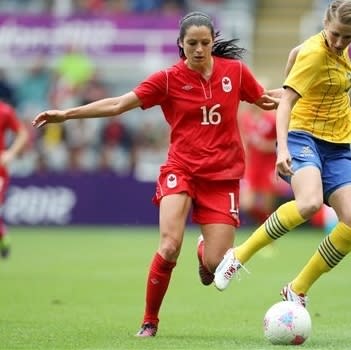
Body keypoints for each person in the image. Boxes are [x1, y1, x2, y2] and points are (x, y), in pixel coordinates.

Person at [32, 11, 280, 336]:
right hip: (182, 170)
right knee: (168, 245)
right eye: (192, 43)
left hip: (222, 176)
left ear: (213, 42)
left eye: (205, 43)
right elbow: (118, 104)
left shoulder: (234, 72)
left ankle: (204, 253)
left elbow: (263, 99)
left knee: (216, 266)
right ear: (181, 44)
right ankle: (150, 321)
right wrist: (66, 114)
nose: (199, 49)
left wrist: (298, 94)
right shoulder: (166, 79)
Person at [214, 0, 351, 309]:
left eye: (347, 37)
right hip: (304, 136)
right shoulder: (315, 53)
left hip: (339, 144)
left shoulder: (334, 52)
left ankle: (297, 288)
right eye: (336, 34)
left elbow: (294, 55)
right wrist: (283, 148)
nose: (340, 42)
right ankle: (238, 255)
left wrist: (291, 83)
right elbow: (288, 103)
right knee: (309, 203)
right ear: (325, 25)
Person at [0, 100, 28, 258]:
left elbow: (22, 133)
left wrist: (11, 153)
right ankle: (2, 234)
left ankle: (2, 236)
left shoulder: (4, 111)